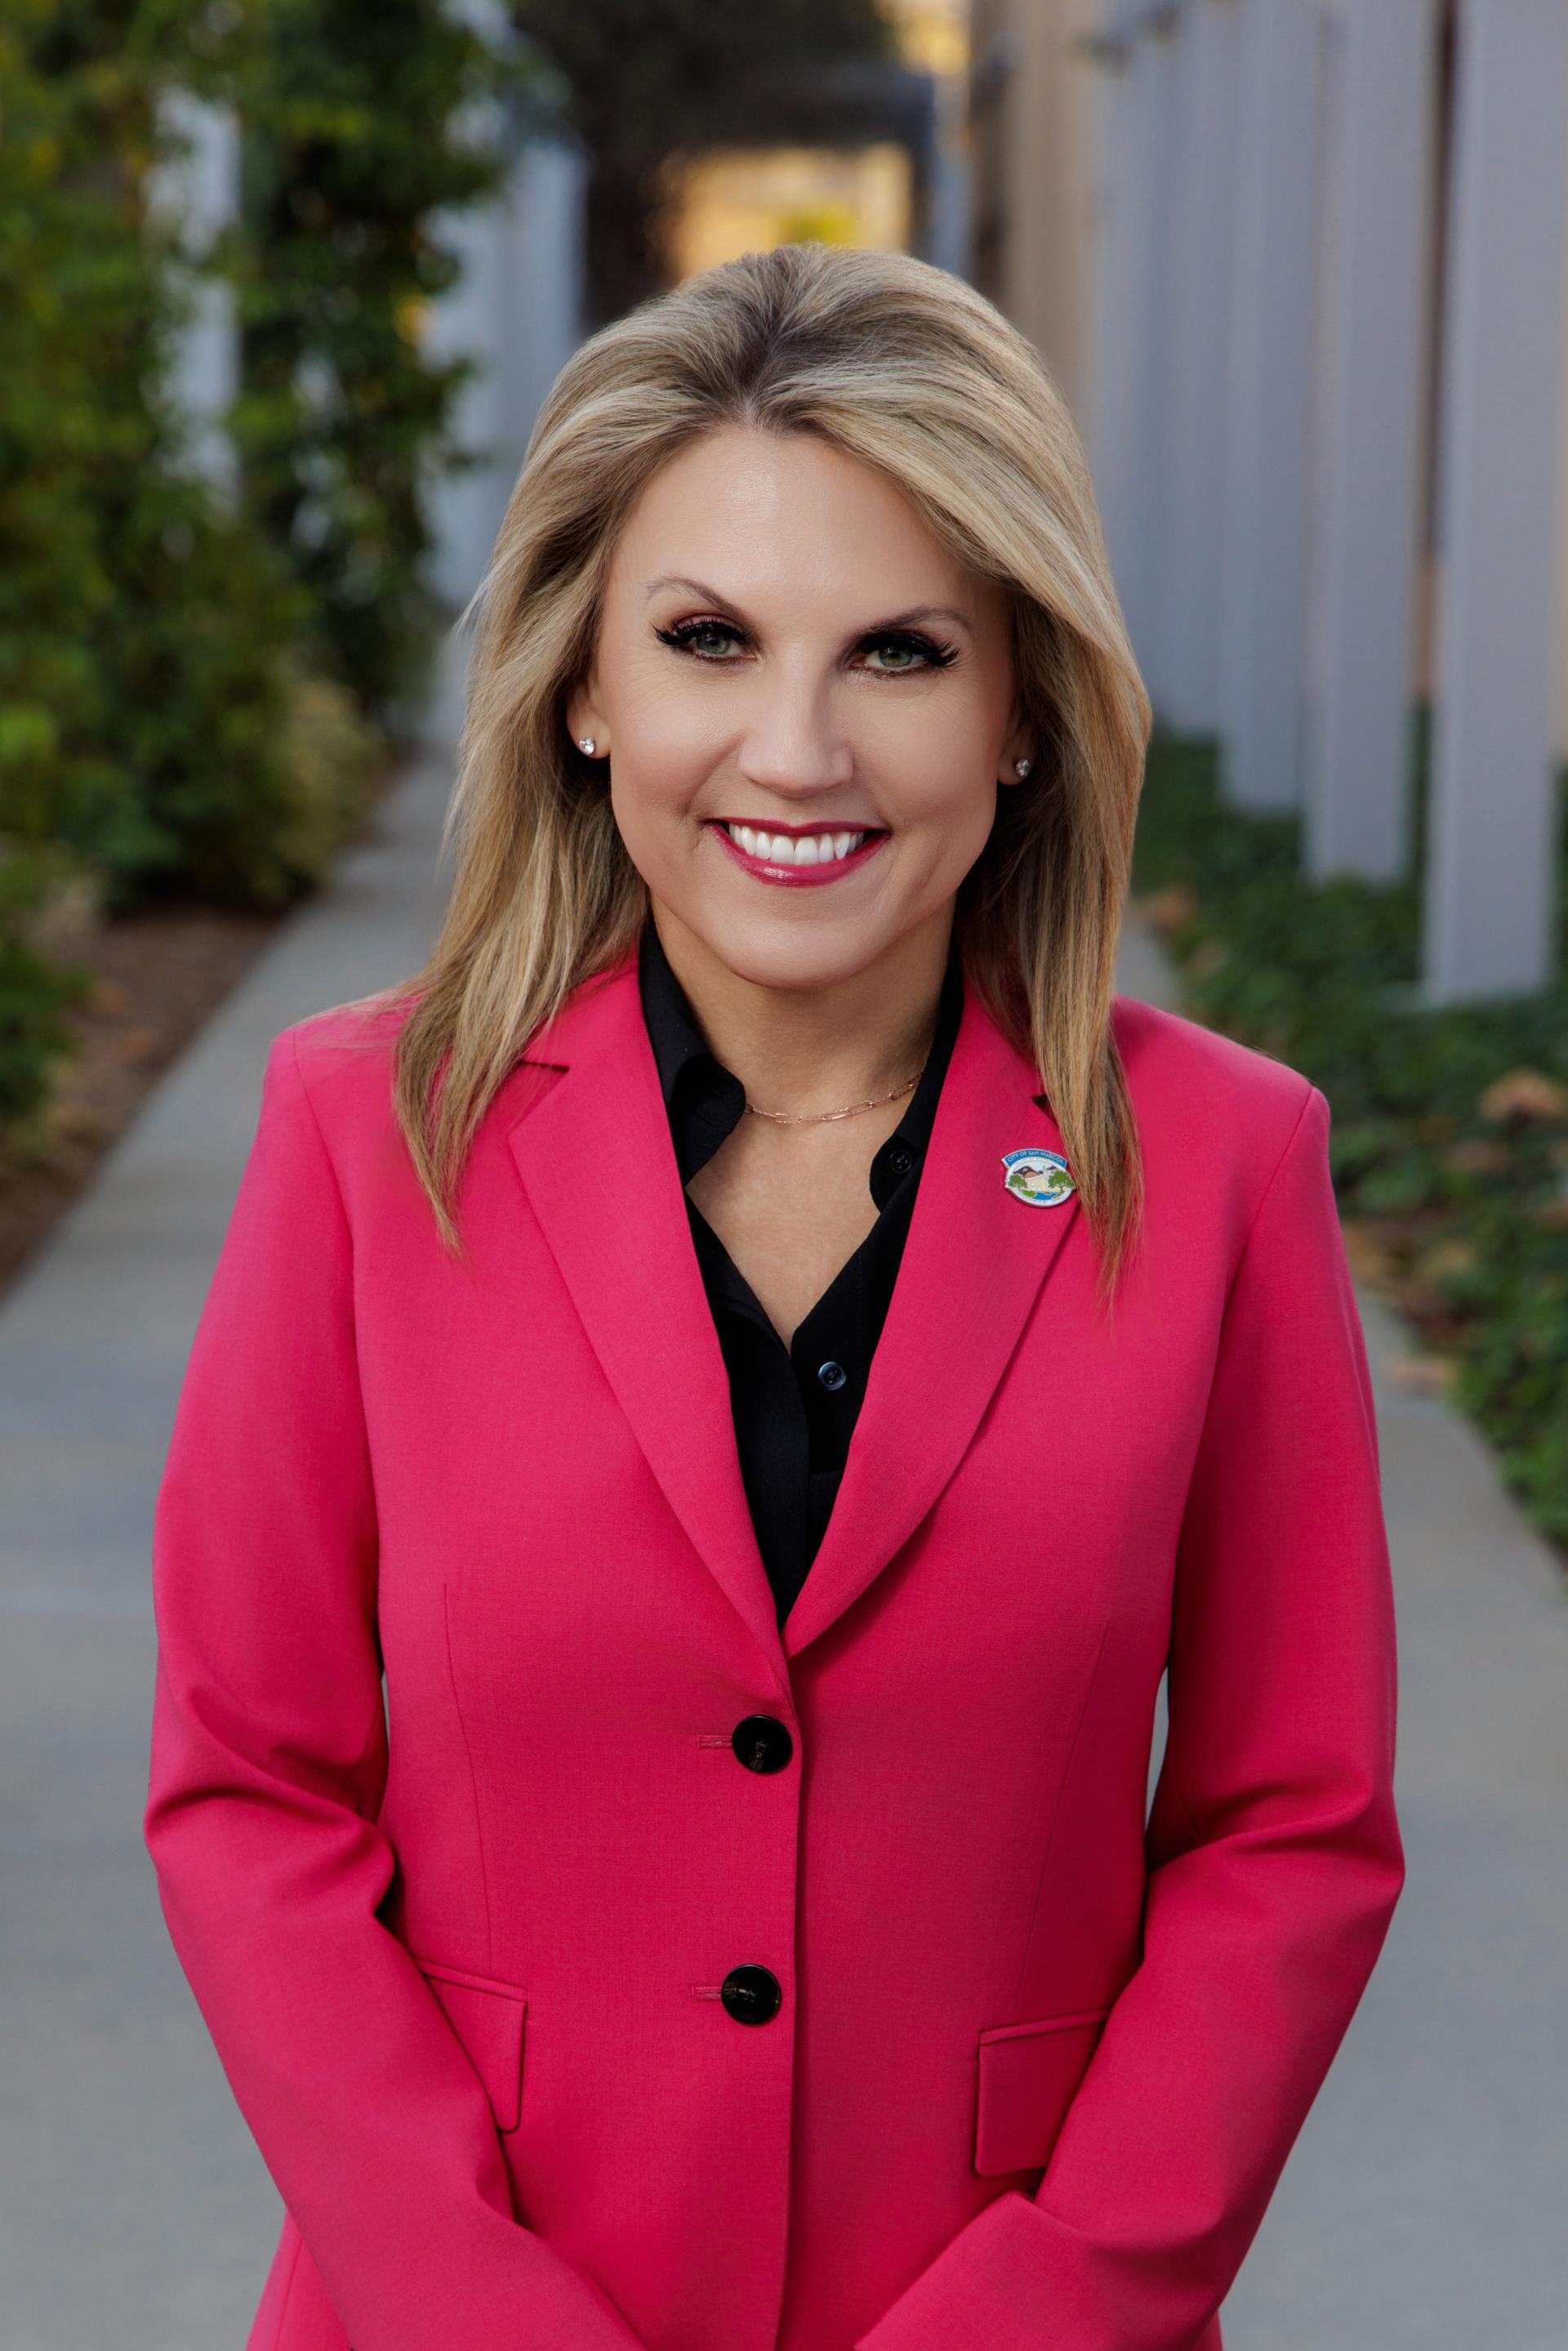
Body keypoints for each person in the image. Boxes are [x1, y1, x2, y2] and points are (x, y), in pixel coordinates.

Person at [143, 243, 1405, 2351]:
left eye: (901, 654)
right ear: (586, 686)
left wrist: (1043, 2313)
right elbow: (249, 1787)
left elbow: (1292, 1828)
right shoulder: (370, 1132)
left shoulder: (1223, 1167)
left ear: (1021, 714)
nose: (794, 750)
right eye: (709, 640)